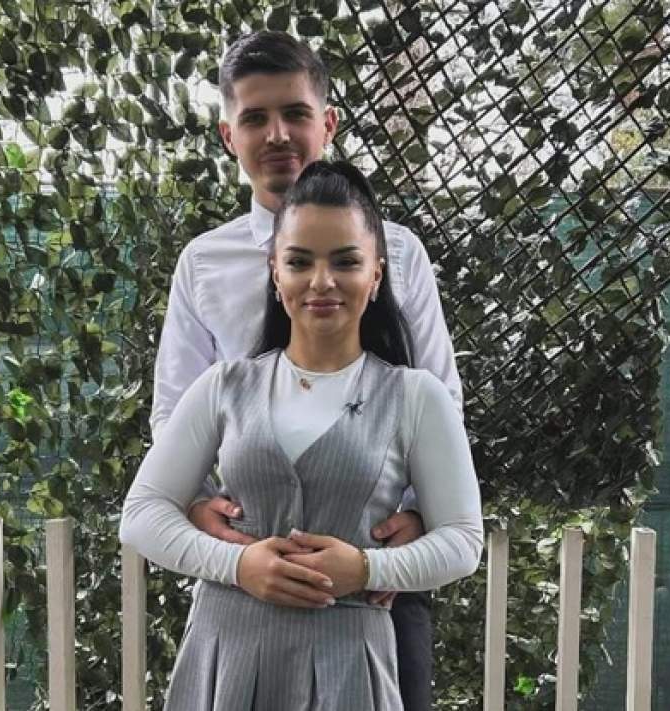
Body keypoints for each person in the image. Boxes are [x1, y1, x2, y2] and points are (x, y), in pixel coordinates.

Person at [147, 30, 463, 710]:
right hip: (243, 583)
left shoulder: (400, 252)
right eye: (255, 118)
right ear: (229, 135)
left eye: (294, 113)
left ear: (328, 122)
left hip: (374, 586)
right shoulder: (203, 264)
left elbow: (439, 395)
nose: (277, 134)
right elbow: (175, 408)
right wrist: (199, 507)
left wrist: (415, 519)